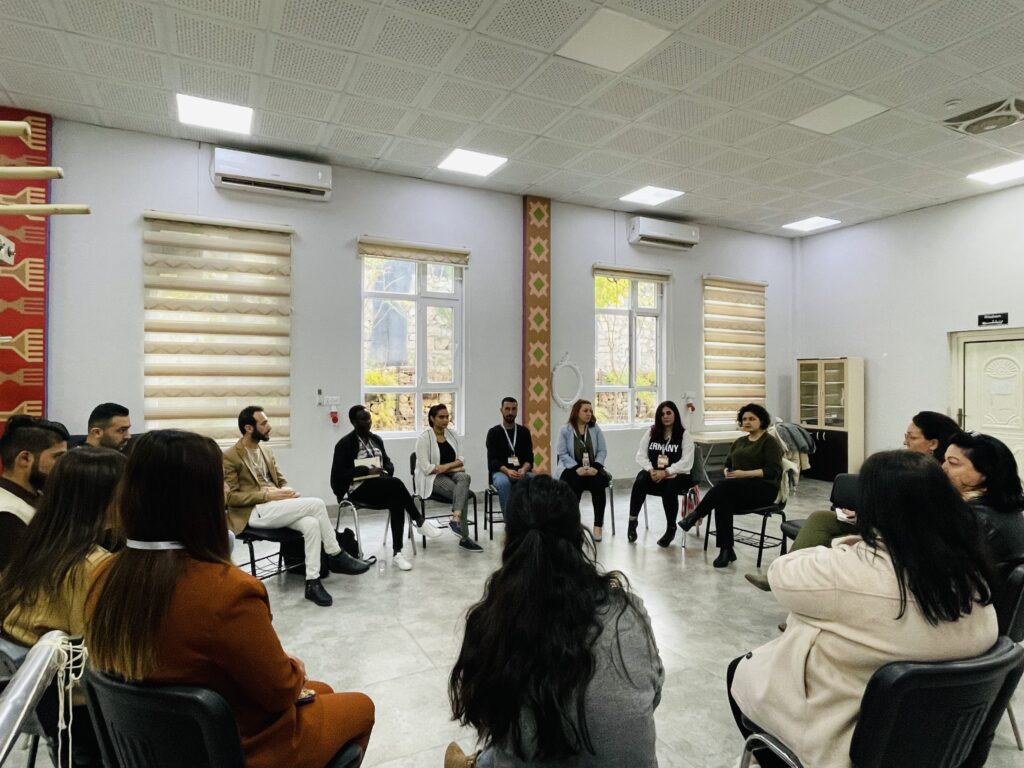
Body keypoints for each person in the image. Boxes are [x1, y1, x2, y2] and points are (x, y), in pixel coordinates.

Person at [86, 430, 375, 768]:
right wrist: (294, 666)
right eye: (218, 481)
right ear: (197, 498)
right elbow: (280, 690)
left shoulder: (102, 574)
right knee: (360, 705)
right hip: (237, 748)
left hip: (160, 743)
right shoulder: (228, 591)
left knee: (320, 690)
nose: (225, 490)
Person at [727, 450, 998, 768]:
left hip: (858, 747)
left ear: (871, 507)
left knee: (741, 671)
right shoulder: (972, 575)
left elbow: (780, 573)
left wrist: (850, 543)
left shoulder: (850, 573)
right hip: (942, 740)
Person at [446, 475, 663, 767]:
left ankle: (475, 763)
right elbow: (653, 693)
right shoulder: (630, 611)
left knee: (502, 749)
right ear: (579, 539)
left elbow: (487, 715)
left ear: (507, 540)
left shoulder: (492, 621)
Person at [0, 447, 125, 768]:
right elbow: (107, 661)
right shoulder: (92, 567)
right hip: (87, 715)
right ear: (104, 499)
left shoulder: (36, 548)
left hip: (49, 709)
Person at [748, 409, 964, 590]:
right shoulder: (912, 469)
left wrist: (870, 519)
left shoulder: (938, 476)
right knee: (821, 518)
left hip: (900, 535)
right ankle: (782, 577)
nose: (904, 442)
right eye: (906, 436)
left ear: (933, 443)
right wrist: (864, 515)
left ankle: (796, 592)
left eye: (912, 438)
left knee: (832, 548)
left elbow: (915, 517)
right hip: (882, 524)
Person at [224, 405, 369, 608]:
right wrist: (267, 495)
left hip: (275, 506)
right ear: (249, 428)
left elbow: (281, 481)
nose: (269, 426)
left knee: (311, 524)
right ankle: (336, 554)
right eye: (264, 423)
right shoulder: (231, 456)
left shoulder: (266, 451)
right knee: (317, 504)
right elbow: (231, 498)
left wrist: (287, 491)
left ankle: (312, 583)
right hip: (253, 512)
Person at [332, 405, 441, 572]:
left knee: (397, 500)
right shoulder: (344, 444)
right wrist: (366, 471)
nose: (368, 422)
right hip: (358, 490)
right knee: (396, 484)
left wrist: (386, 469)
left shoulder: (376, 440)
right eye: (363, 419)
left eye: (369, 419)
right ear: (354, 422)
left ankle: (398, 553)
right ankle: (419, 521)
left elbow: (388, 462)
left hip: (380, 485)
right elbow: (339, 474)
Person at [680, 403, 783, 567]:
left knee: (723, 488)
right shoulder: (740, 441)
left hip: (763, 489)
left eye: (752, 419)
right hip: (739, 488)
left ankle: (696, 515)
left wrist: (744, 474)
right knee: (723, 501)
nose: (747, 422)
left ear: (762, 421)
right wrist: (727, 471)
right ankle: (726, 550)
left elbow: (774, 471)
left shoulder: (769, 442)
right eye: (744, 419)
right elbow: (727, 463)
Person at [943, 431, 1024, 579]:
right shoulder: (1006, 504)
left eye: (953, 463)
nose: (943, 467)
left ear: (985, 472)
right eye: (945, 460)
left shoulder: (973, 516)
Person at [0, 415, 69, 569]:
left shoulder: (38, 497)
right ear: (25, 459)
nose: (63, 466)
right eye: (58, 457)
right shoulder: (7, 515)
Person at [626, 400, 694, 547]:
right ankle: (632, 521)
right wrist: (651, 470)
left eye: (669, 413)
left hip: (679, 475)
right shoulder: (652, 432)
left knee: (669, 488)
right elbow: (640, 455)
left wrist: (666, 472)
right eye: (662, 414)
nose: (665, 416)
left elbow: (687, 462)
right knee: (641, 478)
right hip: (655, 473)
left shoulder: (684, 435)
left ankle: (671, 528)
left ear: (675, 414)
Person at [415, 404, 481, 553]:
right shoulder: (423, 439)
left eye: (447, 417)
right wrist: (453, 467)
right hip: (431, 478)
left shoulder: (453, 435)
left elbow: (461, 459)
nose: (445, 420)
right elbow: (427, 468)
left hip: (449, 473)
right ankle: (464, 539)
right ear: (432, 418)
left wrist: (445, 467)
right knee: (462, 493)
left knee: (465, 477)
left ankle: (455, 518)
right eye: (441, 417)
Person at [556, 399, 609, 541]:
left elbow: (602, 451)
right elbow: (562, 453)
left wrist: (595, 467)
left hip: (592, 468)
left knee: (599, 485)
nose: (589, 413)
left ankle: (598, 526)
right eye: (585, 411)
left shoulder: (595, 428)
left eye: (590, 411)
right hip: (571, 468)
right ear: (576, 412)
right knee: (574, 484)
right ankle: (572, 525)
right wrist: (576, 468)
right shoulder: (565, 430)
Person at [485, 397, 534, 514]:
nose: (510, 412)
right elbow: (492, 461)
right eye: (507, 409)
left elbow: (529, 458)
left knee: (535, 480)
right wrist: (507, 471)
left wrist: (524, 469)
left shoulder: (524, 432)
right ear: (501, 410)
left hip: (521, 471)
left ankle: (530, 519)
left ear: (517, 410)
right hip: (501, 472)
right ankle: (510, 521)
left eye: (513, 409)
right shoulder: (493, 433)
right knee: (504, 483)